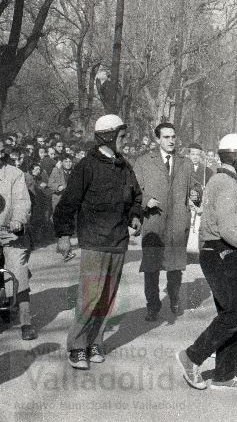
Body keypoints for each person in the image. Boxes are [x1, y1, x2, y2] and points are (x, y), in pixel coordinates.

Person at [176, 133, 237, 391]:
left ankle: (224, 374)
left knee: (231, 313)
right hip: (222, 252)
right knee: (235, 314)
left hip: (220, 252)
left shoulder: (219, 181)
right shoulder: (227, 186)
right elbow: (230, 231)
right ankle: (191, 357)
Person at [55, 114, 142, 370]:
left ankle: (95, 341)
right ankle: (77, 346)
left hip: (118, 240)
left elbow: (136, 196)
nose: (126, 141)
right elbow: (67, 203)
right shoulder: (86, 166)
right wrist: (63, 235)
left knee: (107, 297)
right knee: (90, 296)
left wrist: (135, 216)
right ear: (108, 136)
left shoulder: (124, 166)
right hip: (94, 240)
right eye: (122, 136)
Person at [133, 122, 195, 321]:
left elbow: (194, 187)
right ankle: (152, 306)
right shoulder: (144, 162)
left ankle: (174, 297)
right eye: (166, 137)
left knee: (175, 266)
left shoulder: (185, 163)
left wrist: (196, 193)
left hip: (177, 222)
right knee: (151, 267)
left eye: (173, 137)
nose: (171, 140)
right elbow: (133, 191)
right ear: (157, 139)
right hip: (154, 222)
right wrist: (145, 201)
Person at [0, 150, 34, 340]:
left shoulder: (14, 174)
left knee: (17, 268)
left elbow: (21, 201)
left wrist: (18, 220)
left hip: (9, 231)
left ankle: (26, 322)